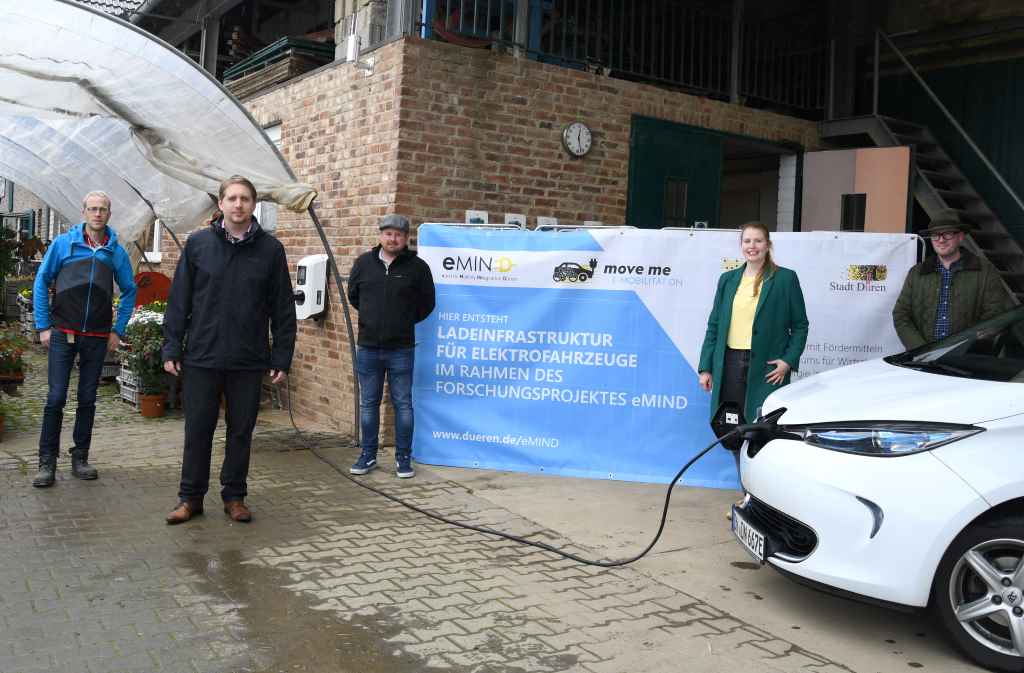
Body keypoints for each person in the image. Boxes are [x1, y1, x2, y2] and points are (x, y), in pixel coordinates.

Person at [162, 176, 296, 525]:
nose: (238, 205)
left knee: (241, 431)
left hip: (248, 359)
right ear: (220, 204)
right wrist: (172, 347)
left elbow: (282, 307)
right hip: (203, 356)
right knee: (198, 430)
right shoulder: (199, 244)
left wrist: (281, 355)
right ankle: (190, 498)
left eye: (245, 199)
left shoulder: (270, 250)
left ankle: (234, 496)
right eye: (232, 198)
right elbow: (179, 301)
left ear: (254, 205)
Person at [31, 191, 137, 488]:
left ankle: (80, 456)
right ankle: (46, 461)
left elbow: (129, 290)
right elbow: (42, 280)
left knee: (88, 398)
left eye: (103, 209)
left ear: (109, 213)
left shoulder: (115, 251)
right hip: (63, 332)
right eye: (93, 209)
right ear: (84, 212)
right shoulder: (65, 244)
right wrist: (42, 325)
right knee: (55, 397)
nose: (98, 214)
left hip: (97, 336)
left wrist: (118, 329)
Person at [697, 222, 809, 483]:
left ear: (768, 245)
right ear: (741, 245)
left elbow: (800, 325)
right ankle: (745, 494)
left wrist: (788, 361)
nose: (752, 246)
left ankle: (764, 497)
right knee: (735, 430)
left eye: (758, 241)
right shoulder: (727, 280)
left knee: (763, 433)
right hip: (730, 365)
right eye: (747, 241)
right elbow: (714, 325)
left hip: (766, 370)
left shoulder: (785, 278)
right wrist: (706, 367)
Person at [347, 214, 435, 479]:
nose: (392, 238)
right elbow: (354, 296)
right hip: (369, 348)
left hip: (401, 349)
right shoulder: (364, 263)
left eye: (398, 234)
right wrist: (373, 321)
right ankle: (368, 455)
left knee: (403, 404)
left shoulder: (418, 267)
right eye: (388, 233)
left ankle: (403, 458)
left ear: (406, 238)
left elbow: (427, 304)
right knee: (369, 404)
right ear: (380, 235)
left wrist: (402, 321)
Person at [893, 212, 1011, 350]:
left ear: (960, 236)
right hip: (922, 359)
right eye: (935, 235)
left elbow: (995, 312)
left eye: (947, 233)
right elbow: (901, 315)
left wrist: (966, 346)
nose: (941, 240)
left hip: (965, 361)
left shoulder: (985, 271)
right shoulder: (917, 273)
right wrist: (921, 350)